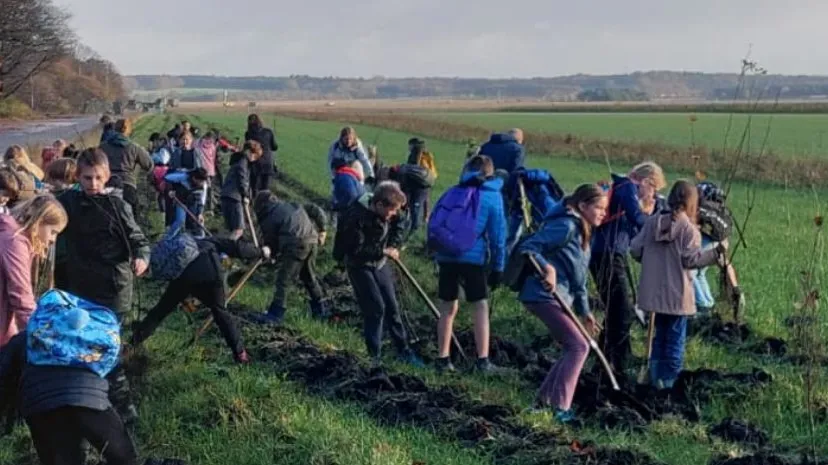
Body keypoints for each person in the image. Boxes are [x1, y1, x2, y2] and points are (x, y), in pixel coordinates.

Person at [56, 148, 149, 425]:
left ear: (107, 176)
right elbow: (45, 211)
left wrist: (142, 259)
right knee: (81, 345)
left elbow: (139, 240)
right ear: (78, 177)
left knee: (107, 347)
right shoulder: (68, 202)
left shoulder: (118, 207)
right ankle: (88, 400)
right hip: (79, 289)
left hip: (114, 288)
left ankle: (124, 407)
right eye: (87, 178)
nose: (93, 184)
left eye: (98, 178)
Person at [518, 184, 606, 423]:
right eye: (598, 207)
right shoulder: (566, 226)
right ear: (582, 206)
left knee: (574, 346)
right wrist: (547, 268)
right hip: (543, 295)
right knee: (579, 347)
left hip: (561, 297)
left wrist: (586, 312)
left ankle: (543, 403)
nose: (602, 213)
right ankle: (559, 408)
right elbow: (529, 247)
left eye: (604, 209)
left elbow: (579, 280)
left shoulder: (584, 231)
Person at [630, 180, 727, 389]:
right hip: (677, 296)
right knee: (674, 341)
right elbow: (691, 261)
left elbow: (635, 250)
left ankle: (655, 380)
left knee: (659, 338)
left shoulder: (651, 222)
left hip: (653, 294)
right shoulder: (690, 231)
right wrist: (716, 253)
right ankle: (669, 384)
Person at [0, 331, 139, 465]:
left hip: (40, 404)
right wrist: (127, 418)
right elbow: (116, 378)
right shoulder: (93, 331)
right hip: (89, 399)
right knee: (125, 459)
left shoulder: (27, 335)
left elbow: (3, 377)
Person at [132, 237, 271, 364]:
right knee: (220, 311)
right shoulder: (214, 243)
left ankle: (132, 343)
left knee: (160, 311)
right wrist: (259, 252)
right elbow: (238, 248)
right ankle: (241, 354)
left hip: (181, 279)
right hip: (207, 273)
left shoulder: (192, 242)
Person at [332, 181, 423, 368]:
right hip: (359, 265)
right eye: (391, 211)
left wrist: (393, 245)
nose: (393, 215)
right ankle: (374, 357)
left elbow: (401, 223)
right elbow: (356, 249)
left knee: (392, 307)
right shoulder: (354, 216)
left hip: (379, 264)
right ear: (379, 205)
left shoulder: (392, 211)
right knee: (375, 309)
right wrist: (383, 251)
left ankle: (403, 350)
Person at [590, 161, 666, 376]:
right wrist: (656, 216)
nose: (653, 194)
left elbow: (633, 230)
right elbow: (637, 219)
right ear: (646, 181)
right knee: (622, 309)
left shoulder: (625, 189)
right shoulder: (626, 188)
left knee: (617, 309)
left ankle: (608, 357)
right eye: (654, 189)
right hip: (607, 254)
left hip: (613, 253)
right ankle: (617, 360)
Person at [433, 155, 507, 373]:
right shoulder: (493, 197)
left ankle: (443, 359)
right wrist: (498, 267)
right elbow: (498, 237)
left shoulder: (453, 191)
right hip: (473, 259)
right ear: (491, 173)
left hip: (446, 256)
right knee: (480, 306)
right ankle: (482, 361)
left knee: (447, 307)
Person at [0, 195, 68, 347]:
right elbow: (20, 292)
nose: (53, 240)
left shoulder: (11, 237)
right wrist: (39, 333)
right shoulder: (15, 242)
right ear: (39, 222)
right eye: (53, 231)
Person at [253, 191, 330, 323]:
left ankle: (275, 314)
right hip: (312, 241)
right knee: (309, 277)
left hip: (295, 245)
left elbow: (270, 243)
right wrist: (323, 229)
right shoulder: (291, 204)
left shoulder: (268, 218)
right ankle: (321, 309)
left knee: (283, 280)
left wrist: (269, 256)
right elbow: (315, 209)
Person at [99, 118, 154, 218]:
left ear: (115, 129)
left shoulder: (103, 147)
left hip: (108, 184)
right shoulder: (134, 147)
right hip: (128, 185)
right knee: (131, 218)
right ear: (129, 131)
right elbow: (149, 164)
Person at [504, 167, 565, 252]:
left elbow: (545, 174)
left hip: (550, 213)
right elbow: (517, 208)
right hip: (541, 215)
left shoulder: (536, 181)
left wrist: (525, 175)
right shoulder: (521, 186)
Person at [221, 141, 263, 240]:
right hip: (234, 197)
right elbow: (242, 180)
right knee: (238, 229)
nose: (254, 158)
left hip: (226, 195)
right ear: (248, 151)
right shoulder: (243, 163)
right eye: (254, 155)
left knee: (232, 228)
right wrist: (246, 195)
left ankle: (227, 249)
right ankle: (226, 251)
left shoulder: (237, 159)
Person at [164, 168, 209, 236]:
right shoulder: (183, 177)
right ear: (194, 178)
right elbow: (167, 178)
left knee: (198, 221)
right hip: (181, 201)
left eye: (203, 181)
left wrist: (200, 213)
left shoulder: (204, 186)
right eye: (200, 181)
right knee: (180, 221)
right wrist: (170, 190)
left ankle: (200, 238)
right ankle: (168, 238)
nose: (201, 183)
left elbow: (202, 201)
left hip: (193, 202)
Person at [244, 114, 278, 192]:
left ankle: (255, 202)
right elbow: (275, 147)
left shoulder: (248, 134)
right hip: (268, 164)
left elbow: (248, 148)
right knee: (265, 190)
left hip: (255, 165)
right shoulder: (268, 132)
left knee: (255, 189)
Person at [196, 131, 219, 212]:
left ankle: (201, 205)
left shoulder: (199, 144)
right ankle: (210, 207)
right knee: (210, 189)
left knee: (201, 188)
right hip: (210, 170)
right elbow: (213, 158)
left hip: (202, 170)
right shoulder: (213, 146)